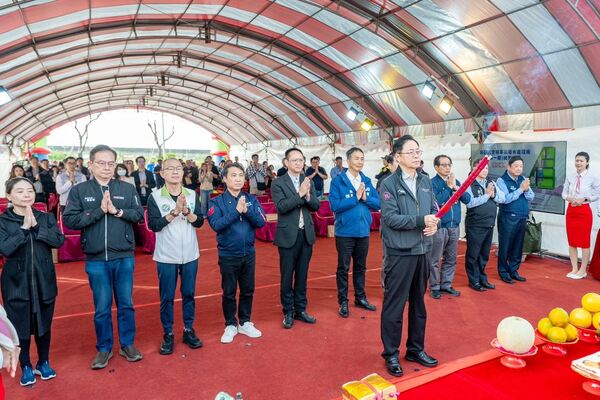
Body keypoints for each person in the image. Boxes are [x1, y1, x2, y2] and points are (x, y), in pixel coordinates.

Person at [63, 145, 144, 370]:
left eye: (110, 163)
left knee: (126, 303)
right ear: (90, 165)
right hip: (96, 258)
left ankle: (127, 344)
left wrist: (117, 211)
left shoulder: (127, 188)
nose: (106, 167)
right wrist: (99, 211)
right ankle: (104, 348)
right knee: (101, 306)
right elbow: (70, 220)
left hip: (124, 256)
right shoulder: (80, 191)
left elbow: (138, 214)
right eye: (101, 163)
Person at [380, 135, 439, 377]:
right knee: (394, 305)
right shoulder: (388, 184)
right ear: (398, 156)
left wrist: (434, 223)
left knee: (419, 304)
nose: (416, 155)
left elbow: (434, 209)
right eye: (411, 152)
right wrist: (421, 220)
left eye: (418, 151)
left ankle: (415, 349)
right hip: (400, 252)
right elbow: (390, 218)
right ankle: (391, 354)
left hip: (423, 250)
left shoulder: (425, 181)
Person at [0, 177, 64, 386]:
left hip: (44, 279)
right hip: (15, 282)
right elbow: (5, 248)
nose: (26, 194)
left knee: (44, 323)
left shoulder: (45, 217)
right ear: (9, 196)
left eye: (29, 190)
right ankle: (26, 365)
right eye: (19, 191)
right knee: (20, 325)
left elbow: (58, 241)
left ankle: (44, 362)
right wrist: (23, 229)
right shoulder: (3, 221)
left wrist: (36, 228)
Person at [147, 159, 204, 355]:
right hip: (166, 256)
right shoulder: (155, 197)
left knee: (189, 294)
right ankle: (168, 333)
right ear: (162, 173)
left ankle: (188, 329)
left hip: (190, 254)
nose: (175, 172)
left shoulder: (191, 194)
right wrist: (174, 212)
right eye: (170, 169)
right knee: (167, 297)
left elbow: (199, 222)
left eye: (178, 168)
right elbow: (154, 225)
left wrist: (186, 211)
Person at [208, 162, 266, 343]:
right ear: (225, 179)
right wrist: (236, 211)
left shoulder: (251, 199)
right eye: (233, 175)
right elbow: (216, 225)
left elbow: (261, 222)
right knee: (229, 292)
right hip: (228, 255)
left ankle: (245, 322)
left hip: (249, 253)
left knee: (248, 290)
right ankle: (231, 324)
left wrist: (246, 210)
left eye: (241, 175)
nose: (238, 179)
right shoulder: (216, 201)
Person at [271, 148, 320, 329]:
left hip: (306, 234)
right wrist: (299, 194)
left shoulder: (307, 181)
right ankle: (288, 311)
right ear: (286, 162)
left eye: (301, 160)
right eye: (295, 160)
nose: (299, 163)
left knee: (302, 274)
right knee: (287, 276)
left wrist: (308, 196)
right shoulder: (278, 183)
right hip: (287, 236)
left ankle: (300, 309)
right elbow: (282, 207)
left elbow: (315, 206)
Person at [329, 147, 380, 318]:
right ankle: (343, 301)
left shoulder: (366, 180)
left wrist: (365, 198)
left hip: (363, 231)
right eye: (356, 158)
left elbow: (378, 203)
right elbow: (334, 206)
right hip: (345, 232)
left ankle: (360, 298)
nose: (360, 161)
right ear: (348, 161)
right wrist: (355, 197)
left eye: (362, 158)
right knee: (343, 268)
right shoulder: (338, 181)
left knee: (361, 267)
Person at [428, 155, 470, 299]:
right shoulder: (432, 183)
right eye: (444, 165)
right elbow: (437, 201)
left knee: (451, 258)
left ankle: (446, 284)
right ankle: (434, 286)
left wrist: (456, 187)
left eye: (449, 165)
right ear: (436, 167)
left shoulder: (455, 181)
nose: (447, 168)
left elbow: (467, 199)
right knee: (435, 259)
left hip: (454, 226)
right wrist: (448, 187)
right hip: (440, 227)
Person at [495, 156, 535, 284]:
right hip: (508, 217)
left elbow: (531, 197)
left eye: (521, 166)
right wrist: (520, 189)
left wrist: (526, 189)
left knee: (518, 246)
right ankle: (503, 272)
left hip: (521, 217)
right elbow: (505, 199)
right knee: (505, 246)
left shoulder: (523, 179)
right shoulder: (502, 180)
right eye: (516, 166)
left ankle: (514, 271)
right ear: (509, 166)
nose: (519, 169)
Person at [562, 152, 599, 279]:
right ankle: (574, 268)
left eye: (581, 161)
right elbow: (563, 193)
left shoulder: (592, 177)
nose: (578, 163)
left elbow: (597, 194)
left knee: (584, 242)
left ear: (587, 162)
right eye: (577, 160)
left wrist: (585, 198)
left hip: (584, 211)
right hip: (571, 210)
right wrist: (569, 198)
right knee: (572, 241)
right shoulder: (570, 176)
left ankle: (583, 270)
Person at [464, 159, 498, 291]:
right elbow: (470, 203)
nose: (485, 171)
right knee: (473, 254)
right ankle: (474, 281)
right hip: (476, 224)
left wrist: (493, 196)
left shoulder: (490, 182)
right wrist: (487, 195)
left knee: (484, 254)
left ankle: (482, 279)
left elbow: (501, 198)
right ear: (474, 169)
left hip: (489, 223)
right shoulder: (468, 183)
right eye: (482, 168)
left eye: (486, 168)